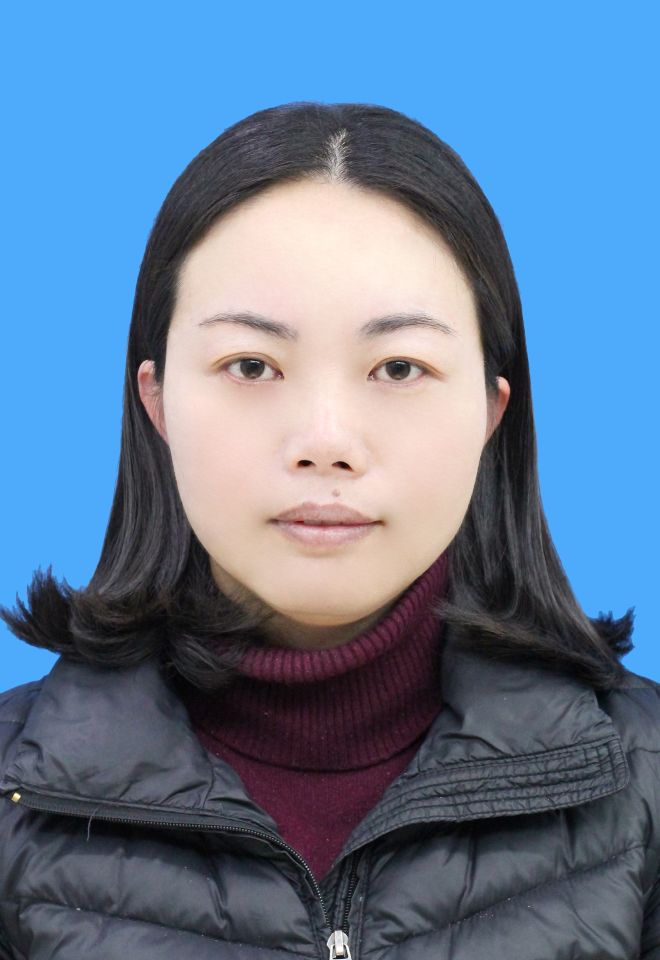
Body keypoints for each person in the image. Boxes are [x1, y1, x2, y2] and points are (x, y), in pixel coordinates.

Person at [0, 101, 658, 959]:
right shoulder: (14, 800)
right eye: (250, 365)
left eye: (399, 367)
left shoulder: (644, 784)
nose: (324, 442)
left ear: (491, 411)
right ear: (157, 402)